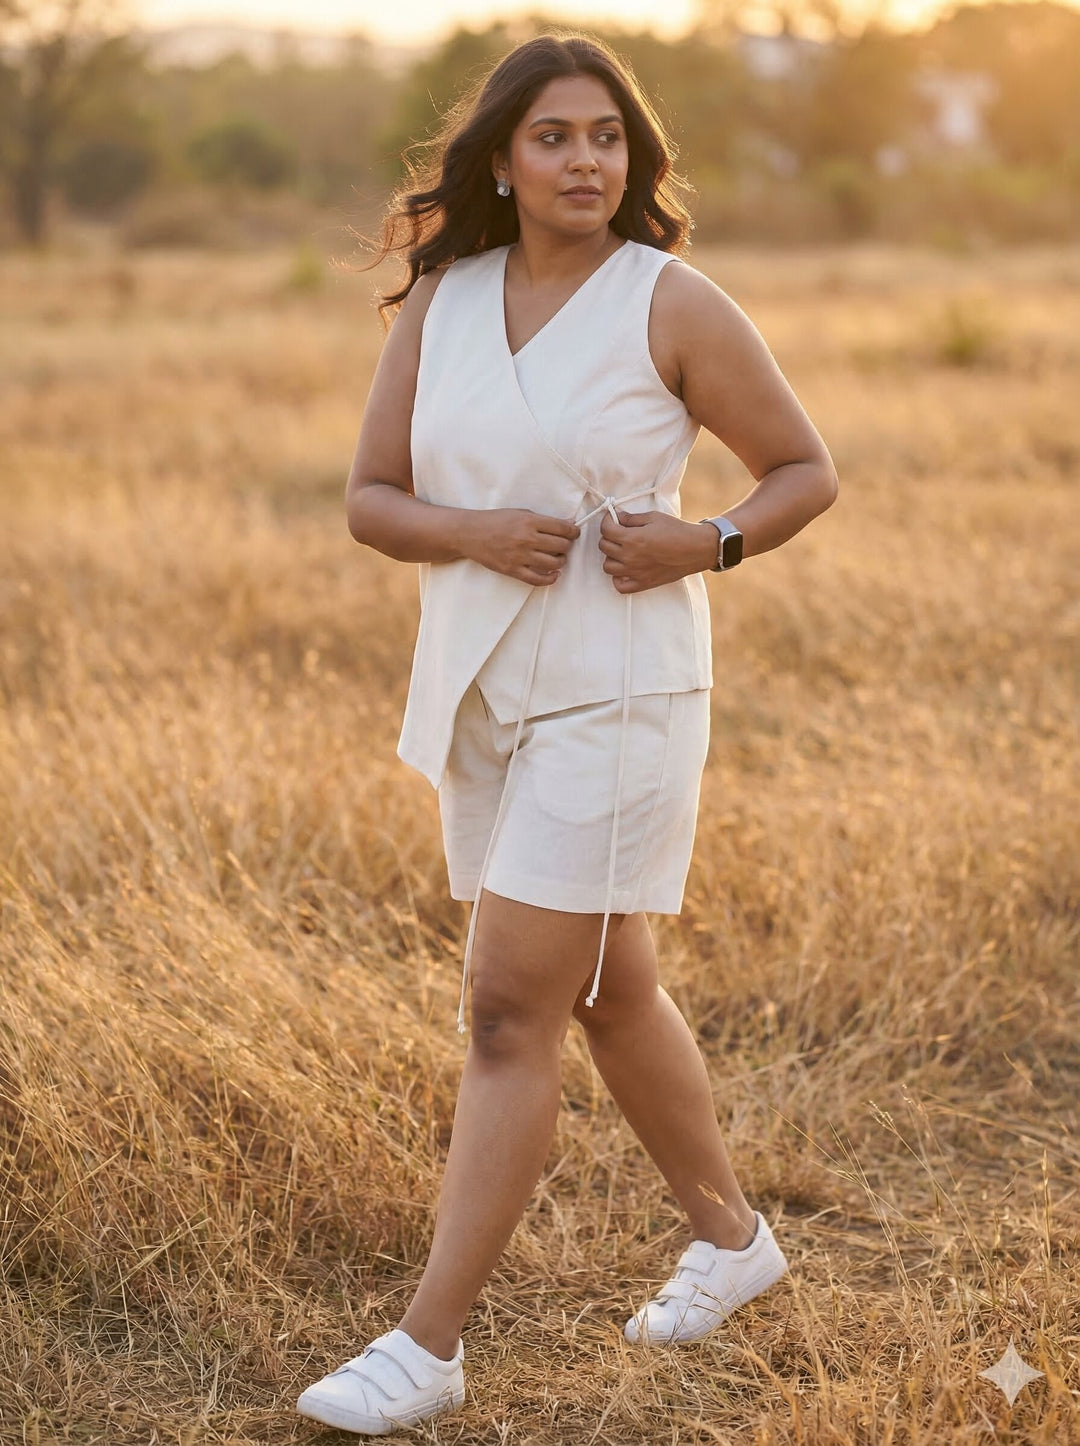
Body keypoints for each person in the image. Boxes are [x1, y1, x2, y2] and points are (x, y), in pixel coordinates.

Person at [297, 31, 838, 1437]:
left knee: (507, 1008)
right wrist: (471, 529)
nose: (587, 159)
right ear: (503, 158)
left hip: (623, 688)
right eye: (555, 136)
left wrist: (707, 539)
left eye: (608, 136)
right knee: (608, 987)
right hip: (486, 683)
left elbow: (803, 468)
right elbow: (370, 499)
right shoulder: (445, 298)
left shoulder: (672, 301)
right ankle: (732, 1242)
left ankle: (428, 1345)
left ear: (633, 157)